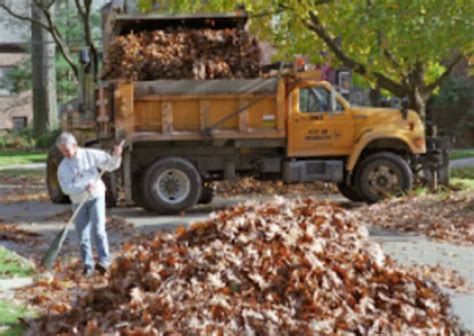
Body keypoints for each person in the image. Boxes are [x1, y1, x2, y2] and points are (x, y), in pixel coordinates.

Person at [56, 132, 124, 277]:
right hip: (78, 201)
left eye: (67, 150)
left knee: (99, 230)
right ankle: (88, 265)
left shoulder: (90, 154)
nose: (66, 154)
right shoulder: (63, 167)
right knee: (83, 236)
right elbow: (66, 188)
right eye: (62, 151)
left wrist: (117, 155)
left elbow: (110, 165)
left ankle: (104, 262)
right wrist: (83, 188)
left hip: (96, 196)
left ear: (74, 146)